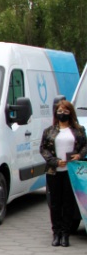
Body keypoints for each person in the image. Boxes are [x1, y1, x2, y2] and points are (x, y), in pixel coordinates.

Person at [40, 100, 87, 247]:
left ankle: (66, 234)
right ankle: (56, 233)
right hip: (54, 172)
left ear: (70, 113)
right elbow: (43, 149)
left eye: (65, 111)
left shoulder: (78, 130)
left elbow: (85, 146)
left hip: (71, 172)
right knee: (55, 203)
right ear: (56, 113)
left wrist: (79, 155)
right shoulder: (49, 131)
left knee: (68, 203)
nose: (62, 114)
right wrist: (54, 161)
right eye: (60, 111)